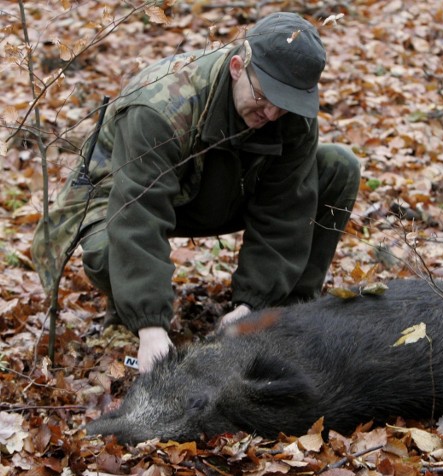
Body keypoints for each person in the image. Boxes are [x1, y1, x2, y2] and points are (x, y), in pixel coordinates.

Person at [31, 12, 361, 373]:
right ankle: (129, 310)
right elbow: (138, 214)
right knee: (110, 254)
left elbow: (284, 211)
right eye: (264, 97)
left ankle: (287, 315)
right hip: (118, 196)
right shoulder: (160, 105)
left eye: (284, 104)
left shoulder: (289, 114)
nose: (271, 112)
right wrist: (150, 329)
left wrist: (253, 306)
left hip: (212, 188)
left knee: (337, 166)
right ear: (238, 66)